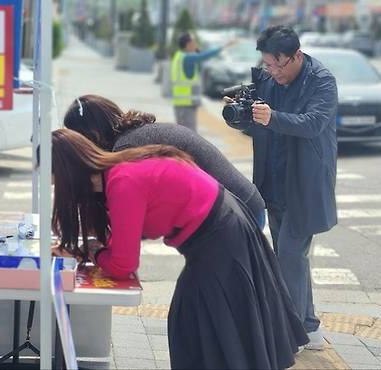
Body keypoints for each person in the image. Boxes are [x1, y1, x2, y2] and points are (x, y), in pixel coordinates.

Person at [50, 128, 308, 369]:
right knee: (213, 324)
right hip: (224, 228)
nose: (55, 188)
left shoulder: (122, 181)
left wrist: (93, 252)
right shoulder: (119, 171)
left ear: (67, 174)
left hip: (220, 237)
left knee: (201, 322)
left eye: (54, 180)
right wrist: (96, 247)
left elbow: (123, 265)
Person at [225, 25, 338, 350]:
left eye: (279, 65)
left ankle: (294, 333)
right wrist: (242, 114)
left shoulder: (322, 81)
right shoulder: (267, 79)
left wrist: (271, 117)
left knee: (289, 254)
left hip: (304, 184)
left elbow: (314, 124)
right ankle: (309, 326)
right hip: (272, 182)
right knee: (290, 258)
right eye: (268, 65)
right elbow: (255, 126)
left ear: (297, 56)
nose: (273, 72)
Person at [63, 94, 266, 228]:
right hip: (240, 206)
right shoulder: (135, 136)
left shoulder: (127, 148)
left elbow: (129, 213)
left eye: (79, 140)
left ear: (93, 133)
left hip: (238, 213)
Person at [171, 32, 235, 131]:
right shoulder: (188, 58)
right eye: (193, 42)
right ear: (188, 44)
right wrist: (224, 46)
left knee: (182, 132)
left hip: (180, 103)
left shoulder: (179, 57)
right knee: (189, 134)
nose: (195, 44)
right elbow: (204, 56)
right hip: (186, 103)